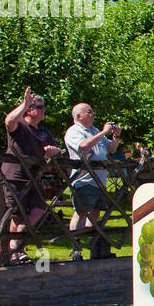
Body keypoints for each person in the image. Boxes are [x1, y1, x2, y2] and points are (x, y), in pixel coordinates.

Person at [2, 86, 64, 265]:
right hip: (15, 176)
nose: (44, 110)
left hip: (34, 177)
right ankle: (14, 252)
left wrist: (55, 150)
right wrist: (24, 103)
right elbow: (8, 122)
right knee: (17, 214)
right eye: (40, 107)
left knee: (38, 210)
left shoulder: (44, 131)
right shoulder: (20, 126)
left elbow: (58, 149)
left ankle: (14, 246)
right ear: (30, 110)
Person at [65, 103, 121, 259]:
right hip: (84, 180)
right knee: (81, 213)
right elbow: (83, 146)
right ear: (78, 116)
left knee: (95, 213)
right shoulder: (74, 131)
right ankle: (76, 249)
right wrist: (104, 132)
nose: (93, 114)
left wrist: (115, 136)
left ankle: (93, 247)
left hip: (99, 181)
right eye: (89, 112)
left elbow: (111, 149)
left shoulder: (94, 130)